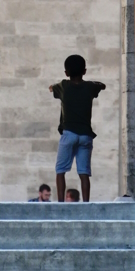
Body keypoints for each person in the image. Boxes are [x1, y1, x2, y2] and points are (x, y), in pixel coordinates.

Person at [48, 54, 106, 202]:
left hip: (69, 133)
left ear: (66, 73)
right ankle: (86, 202)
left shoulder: (63, 86)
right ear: (84, 71)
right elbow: (102, 86)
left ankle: (61, 203)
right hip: (86, 135)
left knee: (60, 170)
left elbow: (51, 88)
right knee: (84, 172)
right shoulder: (90, 87)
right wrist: (97, 84)